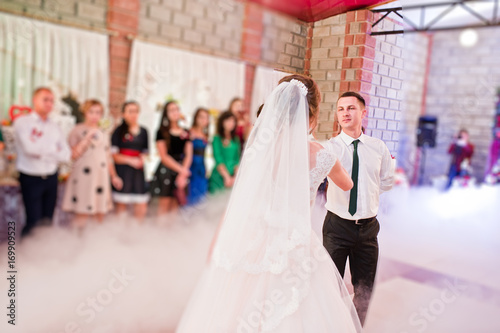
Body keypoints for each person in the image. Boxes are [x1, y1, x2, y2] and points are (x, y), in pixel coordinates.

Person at [176, 75, 362, 332]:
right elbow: (347, 184)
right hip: (294, 241)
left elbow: (241, 200)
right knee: (296, 306)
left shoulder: (260, 151)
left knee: (240, 304)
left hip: (253, 238)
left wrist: (220, 238)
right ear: (312, 115)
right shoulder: (322, 154)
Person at [323, 91, 394, 325]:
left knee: (365, 289)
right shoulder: (329, 148)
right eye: (341, 109)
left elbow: (386, 181)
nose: (345, 113)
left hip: (368, 230)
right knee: (329, 288)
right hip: (337, 227)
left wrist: (366, 198)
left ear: (363, 113)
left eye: (351, 108)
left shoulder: (378, 147)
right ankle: (330, 327)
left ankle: (355, 328)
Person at [14, 87, 71, 236]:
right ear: (34, 100)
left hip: (51, 177)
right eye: (45, 99)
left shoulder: (55, 127)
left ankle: (43, 255)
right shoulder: (22, 122)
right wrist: (53, 152)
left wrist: (43, 152)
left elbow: (66, 154)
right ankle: (26, 256)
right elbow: (30, 149)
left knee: (47, 221)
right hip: (31, 176)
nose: (49, 103)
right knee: (33, 221)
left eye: (52, 101)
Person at [62, 99, 123, 229]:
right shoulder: (77, 130)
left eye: (98, 112)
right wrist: (87, 138)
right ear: (85, 112)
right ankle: (76, 243)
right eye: (91, 112)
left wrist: (114, 176)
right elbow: (73, 155)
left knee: (100, 211)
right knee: (82, 211)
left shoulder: (104, 132)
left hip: (101, 176)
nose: (95, 116)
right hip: (83, 176)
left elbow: (107, 156)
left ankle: (95, 244)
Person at [150, 101, 193, 214]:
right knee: (164, 204)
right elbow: (164, 156)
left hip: (181, 170)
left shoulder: (186, 132)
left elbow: (189, 154)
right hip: (167, 170)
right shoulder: (161, 132)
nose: (175, 112)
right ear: (166, 114)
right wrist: (181, 170)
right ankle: (160, 230)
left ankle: (173, 231)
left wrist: (183, 172)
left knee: (176, 204)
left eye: (177, 109)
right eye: (171, 110)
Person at [111, 101, 149, 220]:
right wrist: (130, 160)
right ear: (123, 114)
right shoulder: (118, 131)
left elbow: (146, 152)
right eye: (130, 111)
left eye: (136, 111)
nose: (133, 114)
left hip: (138, 172)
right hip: (123, 172)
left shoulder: (144, 131)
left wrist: (142, 159)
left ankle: (136, 233)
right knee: (122, 205)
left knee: (141, 205)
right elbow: (114, 156)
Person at [208, 111, 240, 194]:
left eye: (233, 121)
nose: (231, 123)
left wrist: (234, 177)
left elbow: (237, 159)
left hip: (233, 176)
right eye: (228, 120)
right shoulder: (217, 138)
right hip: (219, 175)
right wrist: (227, 177)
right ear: (222, 122)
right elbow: (218, 159)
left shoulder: (235, 139)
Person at [188, 107, 210, 205]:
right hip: (191, 165)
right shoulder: (189, 132)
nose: (203, 120)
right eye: (201, 117)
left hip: (201, 166)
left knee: (201, 194)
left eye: (206, 118)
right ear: (196, 118)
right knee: (190, 193)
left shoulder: (206, 135)